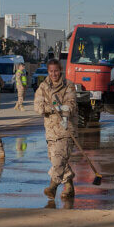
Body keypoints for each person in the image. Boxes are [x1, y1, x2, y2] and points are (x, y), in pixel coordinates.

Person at [34, 59, 78, 199]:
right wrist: (55, 108)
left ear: (61, 70)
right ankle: (69, 185)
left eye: (56, 71)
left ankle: (53, 187)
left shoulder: (69, 86)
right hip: (51, 130)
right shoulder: (43, 87)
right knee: (56, 160)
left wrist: (64, 109)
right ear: (48, 71)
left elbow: (71, 106)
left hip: (66, 129)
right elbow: (38, 108)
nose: (54, 74)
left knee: (59, 160)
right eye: (51, 71)